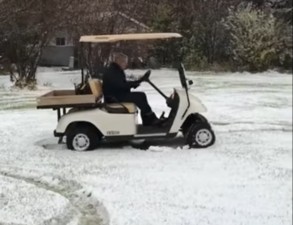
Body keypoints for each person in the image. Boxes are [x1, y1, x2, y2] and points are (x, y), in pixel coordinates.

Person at [103, 52, 161, 126]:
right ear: (119, 61)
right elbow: (121, 85)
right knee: (139, 97)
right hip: (114, 97)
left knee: (142, 95)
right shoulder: (113, 72)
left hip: (116, 94)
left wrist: (136, 82)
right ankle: (151, 119)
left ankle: (148, 120)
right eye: (125, 62)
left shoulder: (115, 70)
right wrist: (134, 84)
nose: (126, 65)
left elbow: (121, 84)